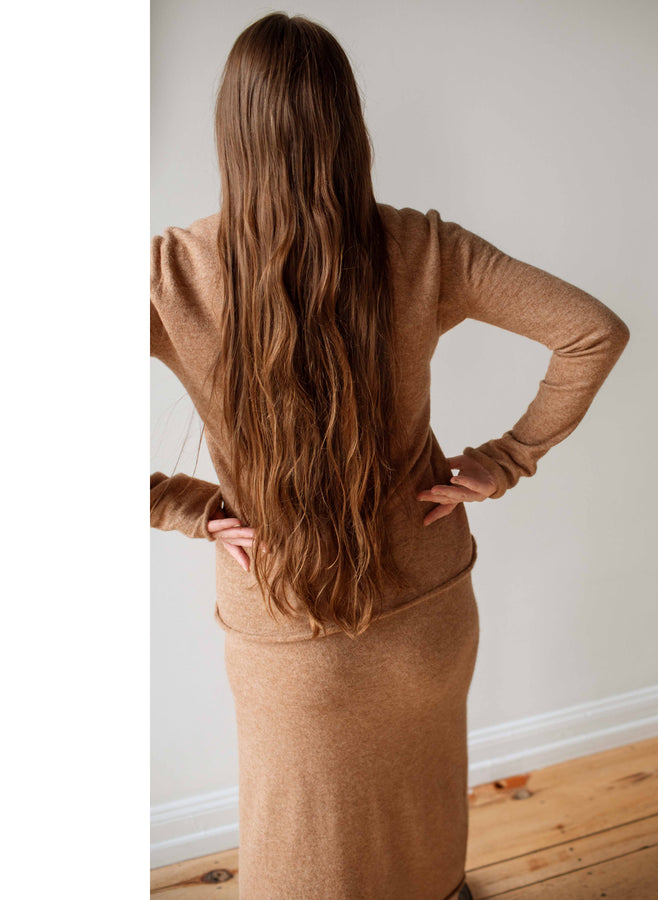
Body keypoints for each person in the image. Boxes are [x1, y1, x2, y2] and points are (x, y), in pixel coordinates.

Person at [150, 12, 630, 900]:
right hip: (425, 608)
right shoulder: (422, 248)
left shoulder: (170, 273)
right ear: (348, 124)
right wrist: (506, 459)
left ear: (231, 133)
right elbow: (592, 331)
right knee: (422, 815)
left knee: (302, 846)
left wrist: (188, 507)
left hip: (285, 620)